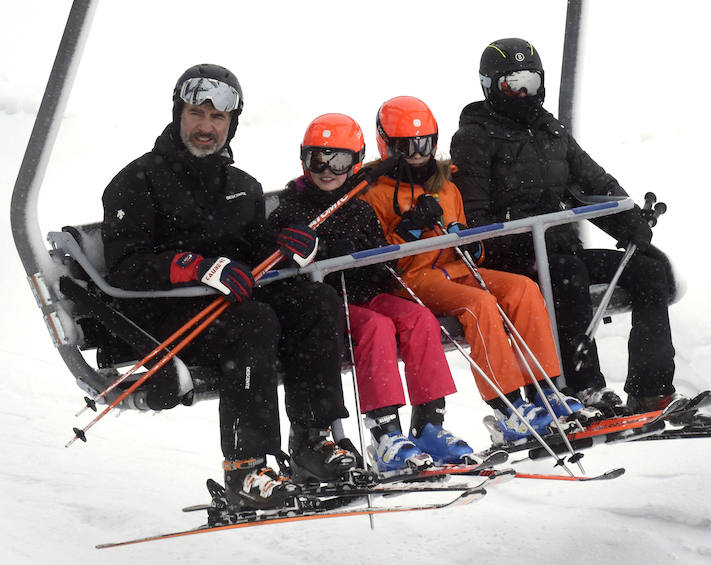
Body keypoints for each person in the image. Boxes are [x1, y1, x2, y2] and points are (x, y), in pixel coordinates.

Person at [101, 64, 357, 508]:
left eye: (217, 118)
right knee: (253, 320)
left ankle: (311, 441)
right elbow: (125, 266)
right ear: (178, 114)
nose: (206, 127)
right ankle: (245, 468)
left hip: (229, 307)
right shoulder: (137, 182)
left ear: (231, 122)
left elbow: (255, 249)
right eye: (196, 114)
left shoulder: (241, 186)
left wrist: (289, 242)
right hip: (167, 317)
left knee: (315, 299)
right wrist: (193, 266)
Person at [450, 38, 688, 416]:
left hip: (561, 248)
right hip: (511, 260)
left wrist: (628, 223)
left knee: (648, 270)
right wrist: (522, 231)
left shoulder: (551, 131)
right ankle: (582, 387)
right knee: (567, 273)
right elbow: (474, 216)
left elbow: (594, 183)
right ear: (490, 86)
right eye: (512, 84)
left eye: (530, 81)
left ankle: (652, 389)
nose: (523, 93)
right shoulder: (474, 139)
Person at [360, 96, 594, 443]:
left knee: (522, 289)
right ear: (386, 144)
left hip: (454, 269)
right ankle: (508, 405)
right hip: (414, 279)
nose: (416, 152)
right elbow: (379, 259)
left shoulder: (445, 185)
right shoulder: (374, 194)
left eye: (424, 142)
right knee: (478, 304)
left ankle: (545, 389)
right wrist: (410, 227)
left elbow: (469, 235)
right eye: (404, 146)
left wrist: (473, 245)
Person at [267, 113, 474, 471]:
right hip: (329, 305)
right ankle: (385, 434)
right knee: (377, 327)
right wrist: (322, 252)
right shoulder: (291, 209)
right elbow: (279, 271)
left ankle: (429, 424)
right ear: (303, 159)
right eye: (318, 158)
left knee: (419, 318)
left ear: (357, 160)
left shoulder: (360, 207)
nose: (327, 169)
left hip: (366, 293)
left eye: (340, 159)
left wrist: (377, 250)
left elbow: (385, 268)